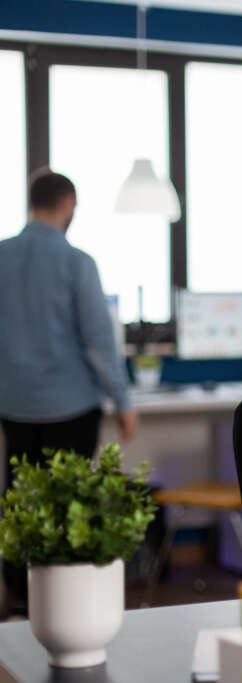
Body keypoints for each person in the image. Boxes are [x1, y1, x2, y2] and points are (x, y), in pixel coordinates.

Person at [0, 169, 137, 611]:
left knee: (21, 501)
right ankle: (62, 604)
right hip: (71, 406)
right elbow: (99, 341)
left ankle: (22, 600)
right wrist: (124, 400)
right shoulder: (78, 263)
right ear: (67, 205)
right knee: (68, 507)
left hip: (14, 405)